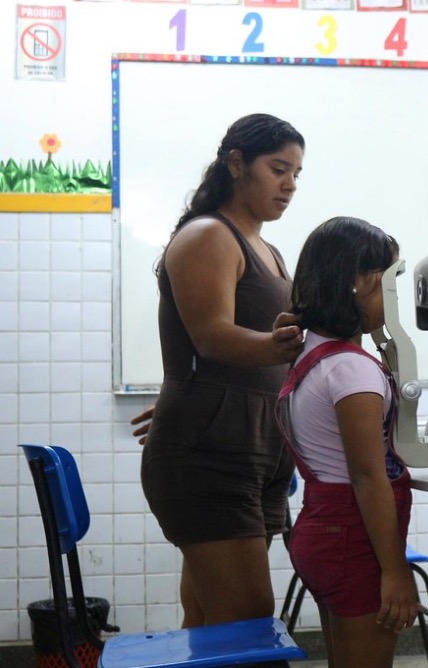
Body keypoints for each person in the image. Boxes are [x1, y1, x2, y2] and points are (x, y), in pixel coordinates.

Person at [139, 113, 306, 628]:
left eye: (297, 174)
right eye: (278, 168)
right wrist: (285, 349)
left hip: (252, 449)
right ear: (236, 164)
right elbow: (212, 336)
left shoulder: (269, 250)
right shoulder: (210, 234)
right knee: (246, 619)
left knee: (211, 620)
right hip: (213, 457)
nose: (289, 185)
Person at [276, 216, 418, 668]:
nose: (393, 296)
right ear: (358, 282)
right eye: (389, 283)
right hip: (352, 539)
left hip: (325, 529)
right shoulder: (351, 370)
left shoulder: (313, 353)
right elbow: (367, 476)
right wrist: (396, 572)